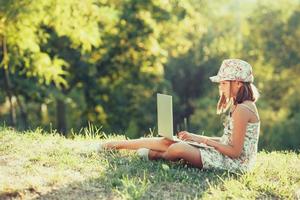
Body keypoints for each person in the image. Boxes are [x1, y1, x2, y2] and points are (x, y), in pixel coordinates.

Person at [101, 59, 260, 172]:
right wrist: (195, 137)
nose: (221, 87)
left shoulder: (243, 110)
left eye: (224, 83)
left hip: (234, 164)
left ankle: (156, 154)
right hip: (224, 156)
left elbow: (235, 152)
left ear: (238, 83)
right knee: (168, 140)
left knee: (178, 148)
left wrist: (203, 140)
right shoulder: (239, 106)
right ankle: (116, 144)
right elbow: (227, 142)